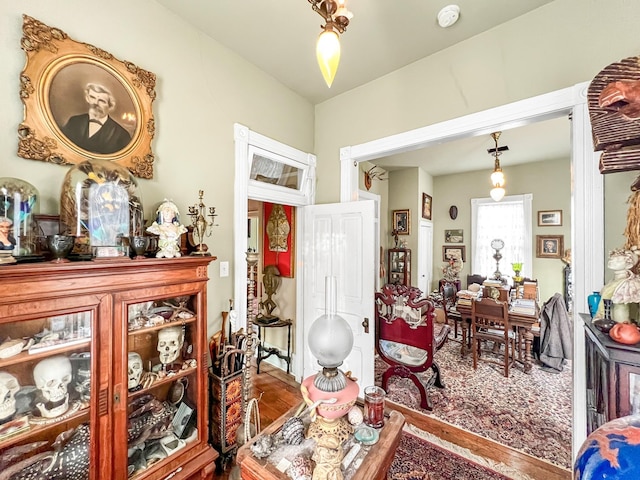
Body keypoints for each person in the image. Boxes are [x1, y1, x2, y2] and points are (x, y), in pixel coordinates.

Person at [61, 83, 131, 154]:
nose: (95, 103)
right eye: (92, 97)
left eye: (102, 101)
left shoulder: (122, 134)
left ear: (110, 106)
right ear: (87, 99)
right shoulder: (74, 122)